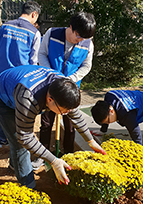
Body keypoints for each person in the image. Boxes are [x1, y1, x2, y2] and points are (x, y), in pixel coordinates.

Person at [0, 65, 106, 188]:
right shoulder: (28, 98)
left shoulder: (64, 86)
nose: (66, 114)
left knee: (19, 144)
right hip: (0, 97)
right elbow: (25, 137)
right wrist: (54, 161)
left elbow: (75, 116)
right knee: (18, 143)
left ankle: (15, 165)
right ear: (50, 99)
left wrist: (90, 141)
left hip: (19, 85)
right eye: (63, 111)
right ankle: (28, 186)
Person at [34, 12, 96, 170]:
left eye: (85, 38)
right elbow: (41, 54)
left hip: (71, 89)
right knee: (46, 123)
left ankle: (69, 154)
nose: (81, 40)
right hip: (49, 87)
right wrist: (51, 75)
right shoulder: (52, 34)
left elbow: (86, 66)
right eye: (79, 36)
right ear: (71, 27)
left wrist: (73, 78)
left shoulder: (87, 43)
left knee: (70, 125)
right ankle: (44, 155)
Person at [0, 1, 41, 148]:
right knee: (18, 110)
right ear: (34, 14)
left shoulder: (4, 26)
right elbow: (33, 61)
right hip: (20, 79)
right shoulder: (34, 33)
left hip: (1, 76)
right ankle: (18, 144)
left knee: (3, 107)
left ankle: (1, 139)